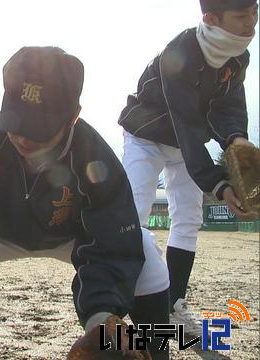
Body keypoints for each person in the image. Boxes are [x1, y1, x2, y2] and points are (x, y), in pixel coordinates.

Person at [0, 46, 171, 359]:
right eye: (17, 122)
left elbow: (112, 243)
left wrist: (100, 317)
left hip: (70, 236)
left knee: (147, 255)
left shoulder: (96, 159)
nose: (23, 137)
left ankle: (157, 353)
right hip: (2, 230)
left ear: (73, 118)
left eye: (38, 129)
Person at [118, 0, 259, 339]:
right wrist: (220, 185)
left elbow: (229, 107)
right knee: (131, 214)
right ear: (210, 18)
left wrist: (237, 139)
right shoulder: (178, 54)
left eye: (255, 12)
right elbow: (189, 126)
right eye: (241, 16)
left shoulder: (238, 56)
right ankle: (124, 304)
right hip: (146, 135)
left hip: (185, 143)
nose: (251, 23)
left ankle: (173, 304)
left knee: (189, 219)